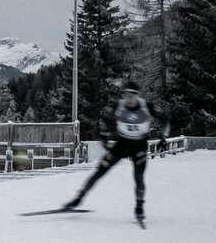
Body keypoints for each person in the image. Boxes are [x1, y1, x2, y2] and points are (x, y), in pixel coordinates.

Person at [64, 81, 169, 221]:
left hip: (139, 145)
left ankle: (139, 207)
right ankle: (77, 199)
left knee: (138, 176)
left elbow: (165, 119)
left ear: (138, 95)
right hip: (122, 144)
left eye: (133, 95)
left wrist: (163, 137)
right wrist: (103, 134)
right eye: (126, 94)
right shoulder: (118, 106)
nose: (129, 99)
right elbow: (103, 120)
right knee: (100, 170)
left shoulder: (146, 106)